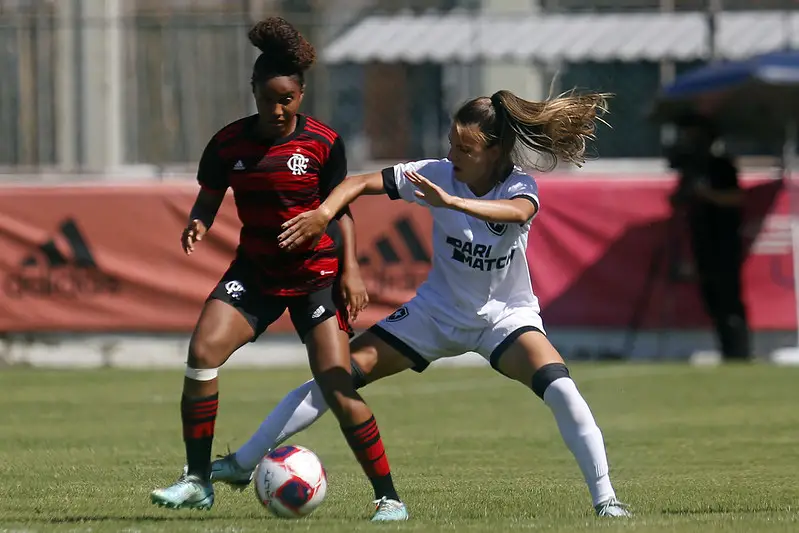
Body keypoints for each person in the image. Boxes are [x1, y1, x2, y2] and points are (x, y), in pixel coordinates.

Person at [209, 89, 631, 518]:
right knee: (335, 378)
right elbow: (356, 183)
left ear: (495, 151)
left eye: (464, 148)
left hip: (505, 319)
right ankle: (242, 464)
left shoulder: (518, 184)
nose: (452, 154)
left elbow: (519, 213)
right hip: (435, 314)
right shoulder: (436, 173)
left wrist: (451, 202)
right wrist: (324, 213)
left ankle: (606, 502)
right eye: (451, 142)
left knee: (562, 390)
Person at [150, 17, 407, 522]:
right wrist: (198, 223)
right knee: (202, 353)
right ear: (253, 93)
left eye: (286, 99)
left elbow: (344, 209)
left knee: (336, 382)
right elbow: (208, 198)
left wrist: (351, 271)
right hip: (258, 274)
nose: (277, 109)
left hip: (316, 279)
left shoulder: (323, 143)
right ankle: (198, 481)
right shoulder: (228, 145)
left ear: (301, 94)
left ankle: (388, 497)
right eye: (268, 99)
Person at [667, 113, 750, 361]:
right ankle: (728, 351)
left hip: (725, 241)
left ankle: (739, 352)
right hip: (702, 241)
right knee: (712, 298)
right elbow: (678, 200)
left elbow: (736, 198)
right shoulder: (692, 168)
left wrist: (707, 194)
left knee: (729, 298)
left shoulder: (722, 166)